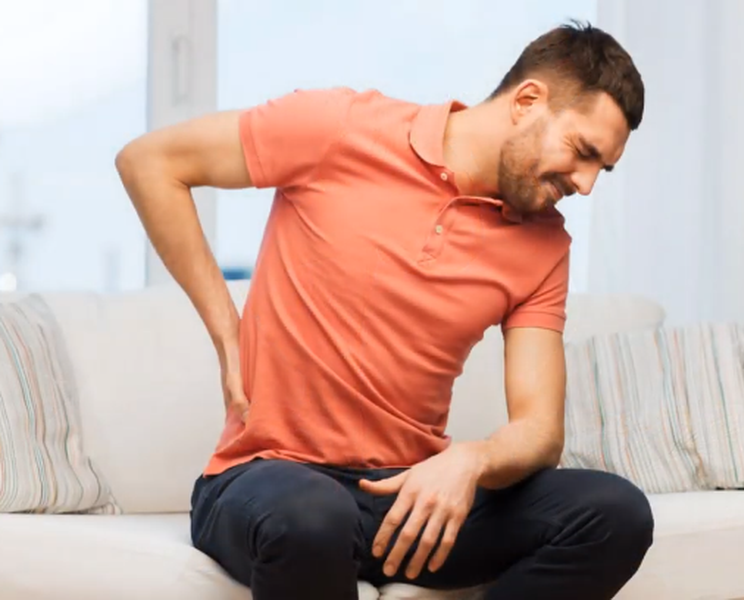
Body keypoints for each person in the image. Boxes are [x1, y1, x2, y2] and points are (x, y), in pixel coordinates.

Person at [116, 20, 651, 600]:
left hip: (404, 503)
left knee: (615, 513)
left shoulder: (545, 244)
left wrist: (471, 461)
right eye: (583, 152)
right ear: (527, 101)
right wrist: (227, 331)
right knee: (313, 516)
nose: (586, 184)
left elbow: (540, 431)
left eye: (603, 168)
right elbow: (149, 163)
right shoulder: (339, 127)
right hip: (270, 480)